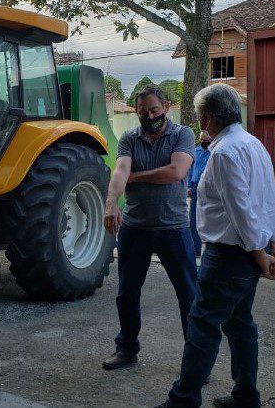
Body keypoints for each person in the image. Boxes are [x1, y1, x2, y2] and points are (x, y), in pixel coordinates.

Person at [155, 83, 275, 408]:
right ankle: (245, 398)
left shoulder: (223, 153)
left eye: (198, 117)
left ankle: (183, 400)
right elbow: (265, 202)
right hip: (247, 254)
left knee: (203, 326)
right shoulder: (253, 144)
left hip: (230, 256)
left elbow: (241, 212)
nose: (197, 123)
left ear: (207, 117)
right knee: (239, 325)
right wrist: (265, 247)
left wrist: (261, 254)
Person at [103, 85, 197, 370]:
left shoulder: (183, 134)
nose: (149, 116)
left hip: (174, 229)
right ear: (136, 112)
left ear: (166, 107)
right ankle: (127, 349)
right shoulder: (130, 138)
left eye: (155, 110)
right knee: (127, 293)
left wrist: (136, 177)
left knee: (189, 296)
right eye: (143, 112)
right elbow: (120, 170)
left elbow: (176, 172)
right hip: (135, 229)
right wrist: (111, 202)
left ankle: (196, 362)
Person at [187, 131, 211, 257]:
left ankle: (210, 252)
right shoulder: (196, 151)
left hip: (209, 188)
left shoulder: (214, 151)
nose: (202, 142)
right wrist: (189, 185)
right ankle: (195, 250)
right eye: (201, 139)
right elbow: (190, 169)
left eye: (205, 140)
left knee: (210, 219)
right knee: (193, 219)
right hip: (196, 187)